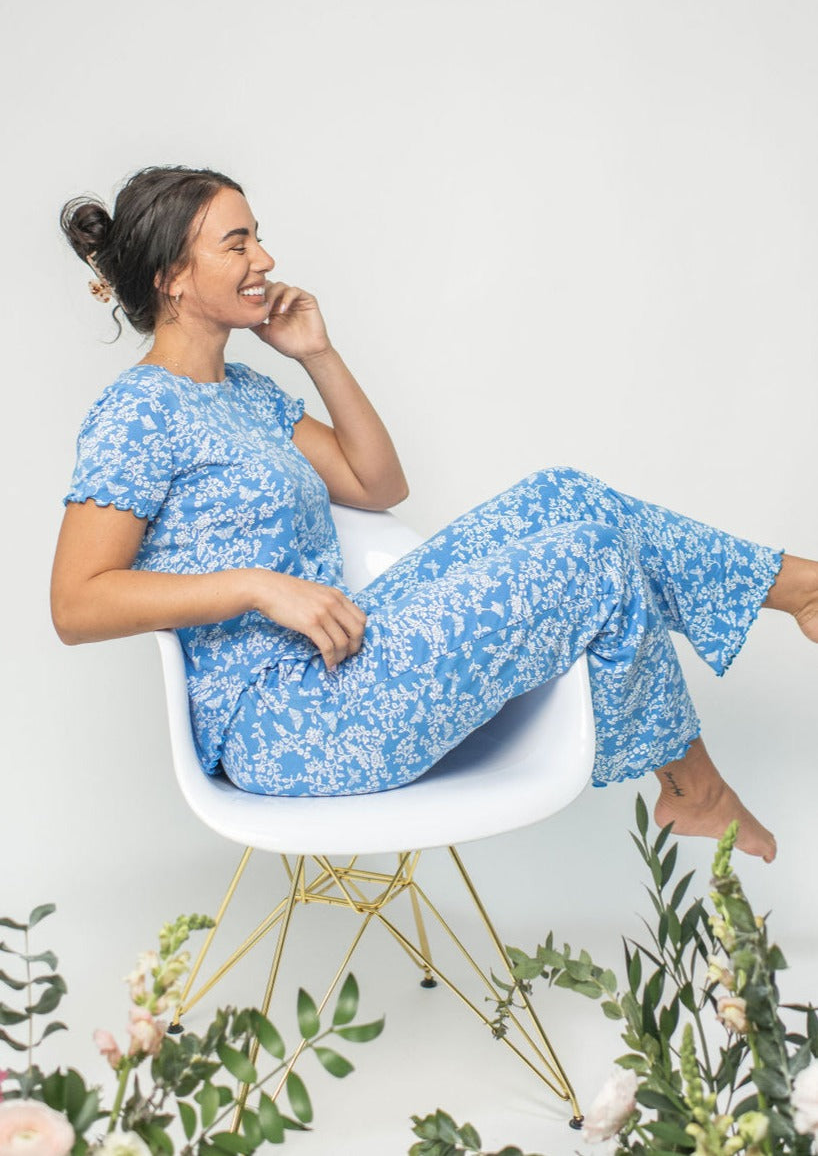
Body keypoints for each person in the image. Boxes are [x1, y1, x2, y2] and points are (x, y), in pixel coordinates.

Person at [52, 165, 818, 865]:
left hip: (346, 655)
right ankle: (696, 787)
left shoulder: (247, 393)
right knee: (589, 554)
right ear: (173, 277)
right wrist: (257, 586)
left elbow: (377, 482)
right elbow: (77, 602)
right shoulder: (138, 412)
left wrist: (317, 353)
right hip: (282, 720)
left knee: (564, 494)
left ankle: (795, 588)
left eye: (258, 237)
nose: (266, 259)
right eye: (237, 243)